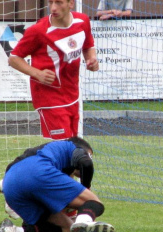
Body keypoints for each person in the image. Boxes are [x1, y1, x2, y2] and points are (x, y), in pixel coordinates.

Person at [8, 0, 99, 140]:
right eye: (50, 2)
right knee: (61, 148)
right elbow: (14, 58)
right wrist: (37, 73)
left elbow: (88, 46)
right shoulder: (38, 30)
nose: (53, 8)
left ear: (71, 4)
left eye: (58, 3)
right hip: (48, 97)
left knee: (73, 147)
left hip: (72, 94)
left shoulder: (82, 21)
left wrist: (91, 60)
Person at [0, 137, 115, 232]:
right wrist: (86, 189)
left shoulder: (47, 155)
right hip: (38, 172)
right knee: (94, 202)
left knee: (67, 230)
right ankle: (84, 221)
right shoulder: (72, 146)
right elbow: (86, 163)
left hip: (10, 185)